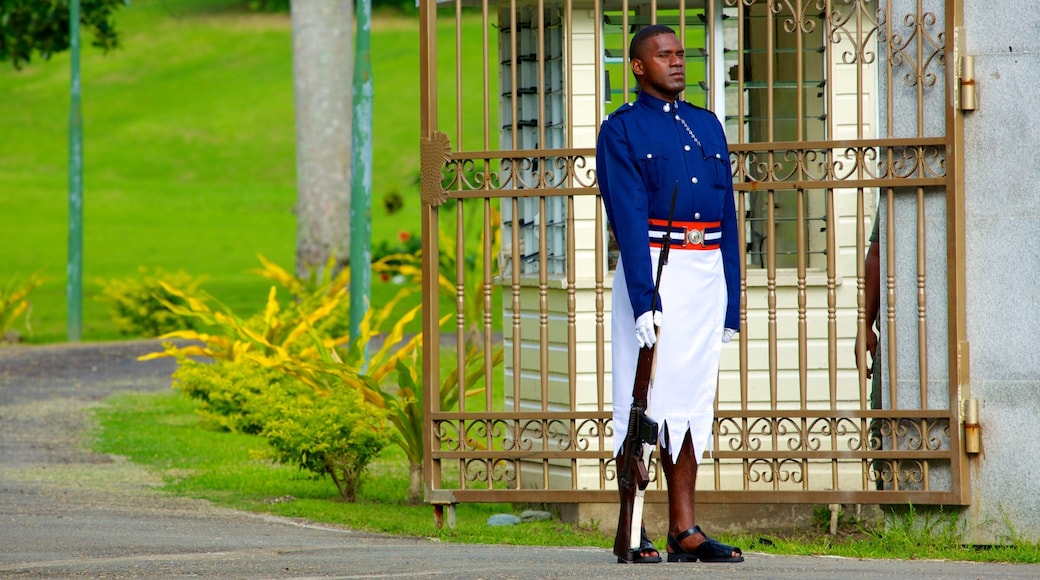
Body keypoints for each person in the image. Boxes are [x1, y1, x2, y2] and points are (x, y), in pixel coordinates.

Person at [597, 24, 743, 564]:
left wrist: (731, 299)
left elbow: (727, 216)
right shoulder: (623, 130)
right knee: (640, 402)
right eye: (663, 56)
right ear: (638, 67)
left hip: (705, 271)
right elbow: (628, 220)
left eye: (681, 54)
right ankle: (632, 529)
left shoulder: (707, 127)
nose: (677, 63)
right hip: (656, 270)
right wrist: (642, 299)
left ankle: (686, 529)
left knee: (690, 399)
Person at [855, 214, 883, 489]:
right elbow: (875, 254)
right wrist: (864, 325)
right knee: (882, 425)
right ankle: (891, 506)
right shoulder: (888, 194)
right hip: (891, 331)